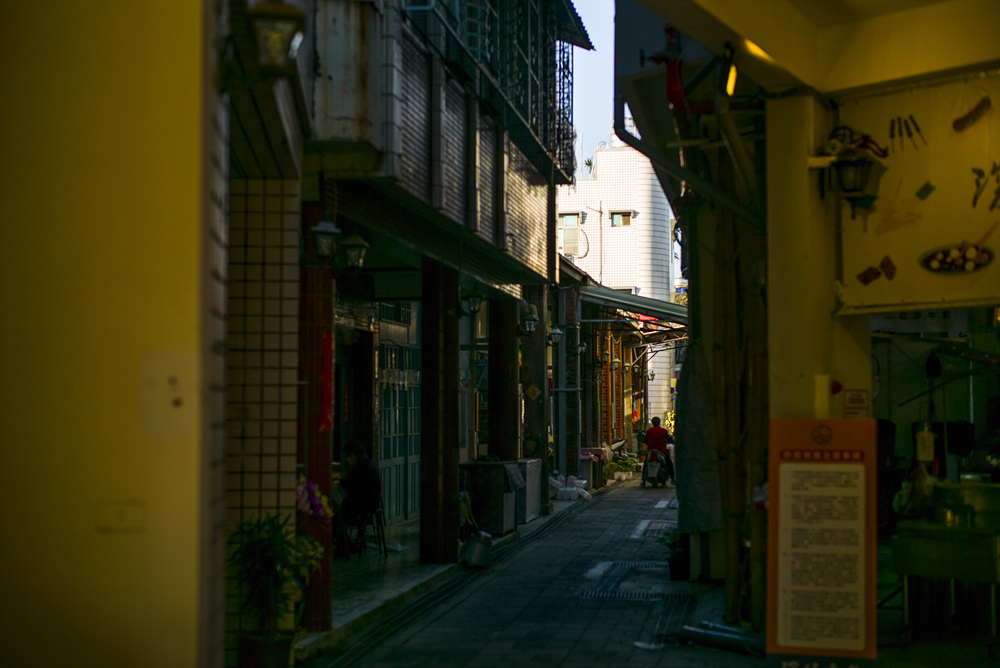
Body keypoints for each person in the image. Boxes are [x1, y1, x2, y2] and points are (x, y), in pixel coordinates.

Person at [333, 440, 382, 555]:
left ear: (354, 454)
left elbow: (352, 487)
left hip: (362, 504)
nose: (347, 459)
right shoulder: (369, 463)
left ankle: (344, 544)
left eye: (348, 456)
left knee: (337, 512)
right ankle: (345, 543)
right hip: (372, 502)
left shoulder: (360, 467)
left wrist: (341, 481)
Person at [642, 416, 676, 487]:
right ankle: (672, 479)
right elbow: (669, 439)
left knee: (646, 464)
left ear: (652, 423)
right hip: (662, 451)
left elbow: (645, 440)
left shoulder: (649, 431)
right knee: (669, 463)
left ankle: (643, 481)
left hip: (651, 451)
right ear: (659, 423)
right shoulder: (663, 431)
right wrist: (673, 442)